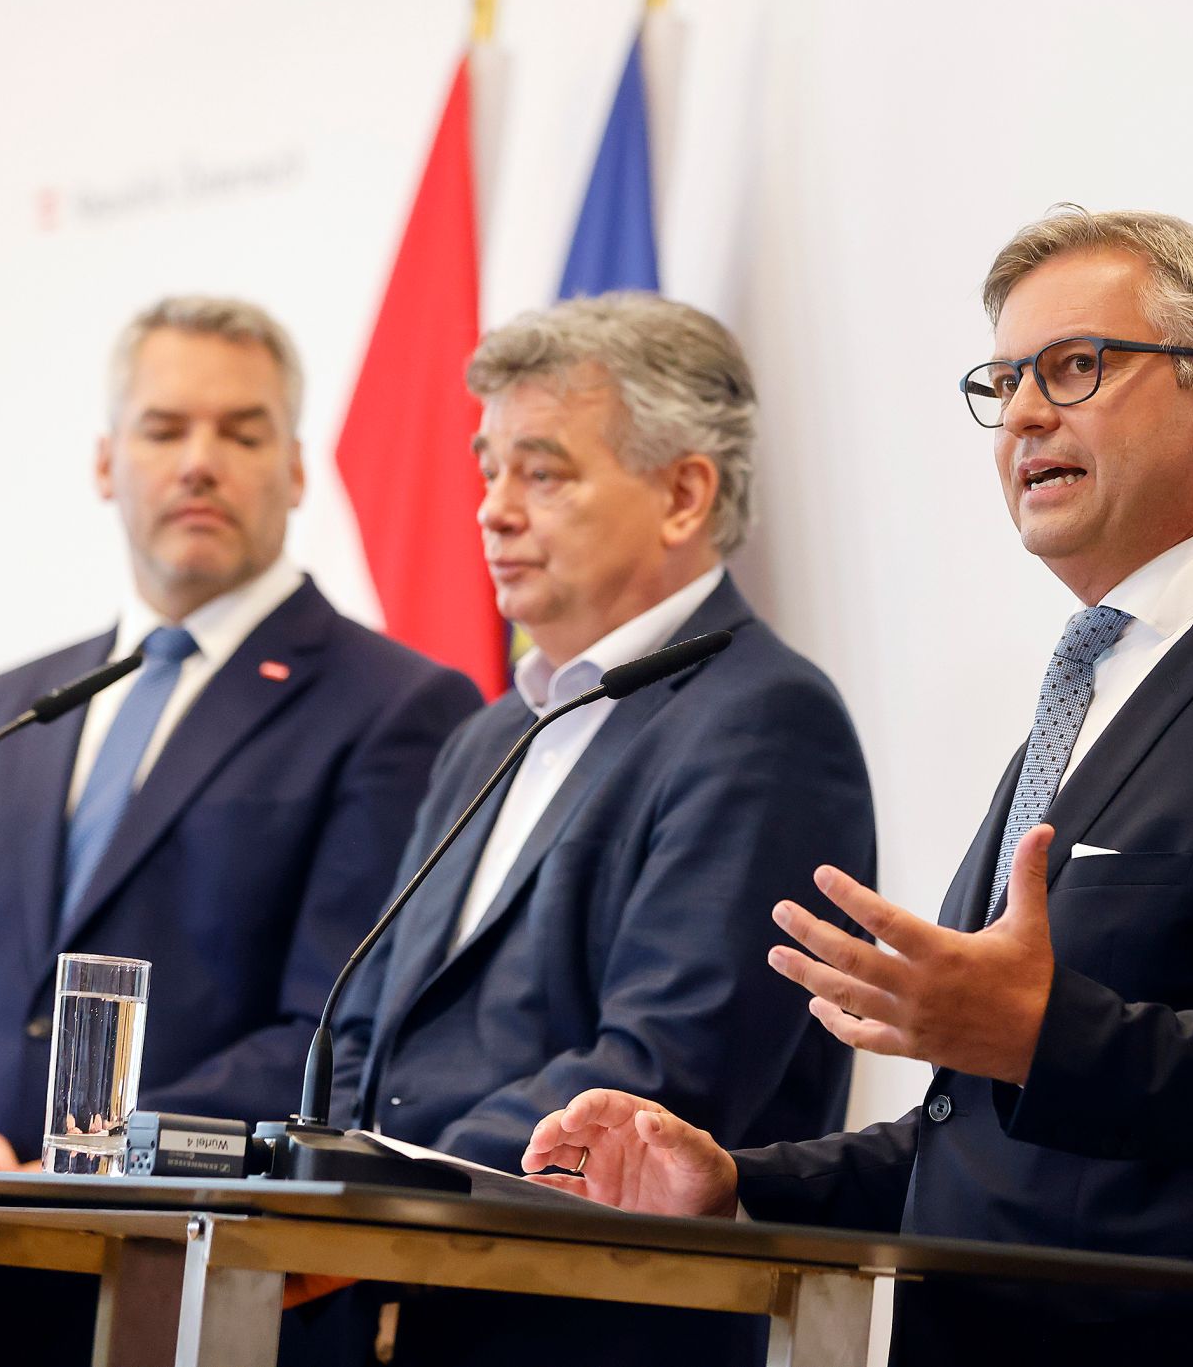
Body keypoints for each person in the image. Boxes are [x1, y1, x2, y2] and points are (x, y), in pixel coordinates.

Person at [522, 210, 1193, 1367]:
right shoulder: (1088, 688)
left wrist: (1041, 1035)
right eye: (1003, 379)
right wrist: (734, 1187)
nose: (1023, 413)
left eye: (1075, 367)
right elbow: (978, 1139)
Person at [0, 296, 481, 1365]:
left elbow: (336, 1037)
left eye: (242, 431)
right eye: (165, 429)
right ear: (106, 461)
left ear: (297, 470)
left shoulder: (399, 709)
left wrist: (81, 1165)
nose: (199, 462)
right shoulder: (1, 711)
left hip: (209, 1302)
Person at [312, 292, 877, 1365]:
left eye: (543, 471)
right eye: (488, 469)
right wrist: (318, 1183)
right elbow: (364, 1030)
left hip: (590, 1326)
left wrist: (378, 1193)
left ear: (681, 494)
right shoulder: (488, 735)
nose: (491, 509)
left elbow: (664, 1067)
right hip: (383, 1300)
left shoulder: (764, 720)